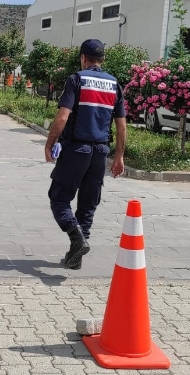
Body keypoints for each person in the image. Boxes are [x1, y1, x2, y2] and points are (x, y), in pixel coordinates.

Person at [44, 38, 126, 270]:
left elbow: (62, 117)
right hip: (100, 152)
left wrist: (50, 143)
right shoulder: (114, 84)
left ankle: (76, 238)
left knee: (59, 198)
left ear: (83, 58)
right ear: (102, 60)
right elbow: (121, 126)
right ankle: (75, 258)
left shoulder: (76, 80)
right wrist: (118, 156)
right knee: (88, 204)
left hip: (76, 149)